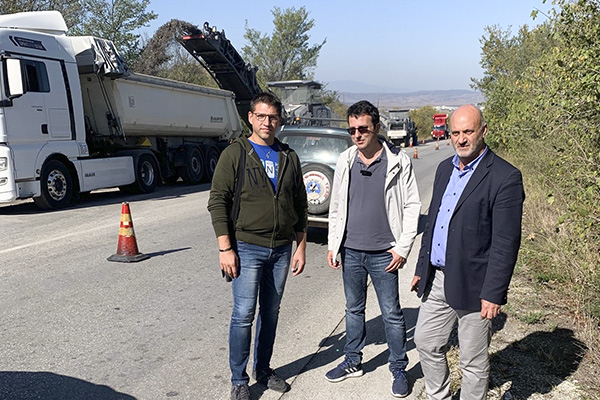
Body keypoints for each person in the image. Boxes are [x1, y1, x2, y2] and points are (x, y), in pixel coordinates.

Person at [411, 104, 525, 400]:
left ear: (483, 131)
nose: (461, 139)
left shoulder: (505, 177)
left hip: (476, 283)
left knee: (472, 360)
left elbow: (506, 242)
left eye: (468, 132)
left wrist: (494, 292)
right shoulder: (444, 168)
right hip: (438, 278)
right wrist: (422, 268)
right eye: (455, 133)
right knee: (426, 341)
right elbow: (433, 223)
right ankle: (439, 395)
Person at [207, 92, 308, 400]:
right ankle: (239, 380)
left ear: (280, 121)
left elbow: (300, 204)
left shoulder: (289, 156)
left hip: (281, 248)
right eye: (261, 116)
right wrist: (226, 248)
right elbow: (217, 202)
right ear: (250, 118)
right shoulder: (235, 153)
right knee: (243, 314)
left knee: (271, 312)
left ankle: (263, 370)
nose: (267, 122)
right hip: (247, 246)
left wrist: (301, 246)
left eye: (273, 117)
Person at [326, 100, 421, 398]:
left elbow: (412, 206)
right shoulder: (345, 160)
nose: (357, 134)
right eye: (352, 129)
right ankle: (353, 361)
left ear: (376, 127)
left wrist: (402, 248)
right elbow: (337, 206)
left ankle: (398, 368)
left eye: (363, 129)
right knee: (353, 310)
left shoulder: (398, 161)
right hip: (351, 250)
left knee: (391, 313)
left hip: (384, 253)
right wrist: (333, 245)